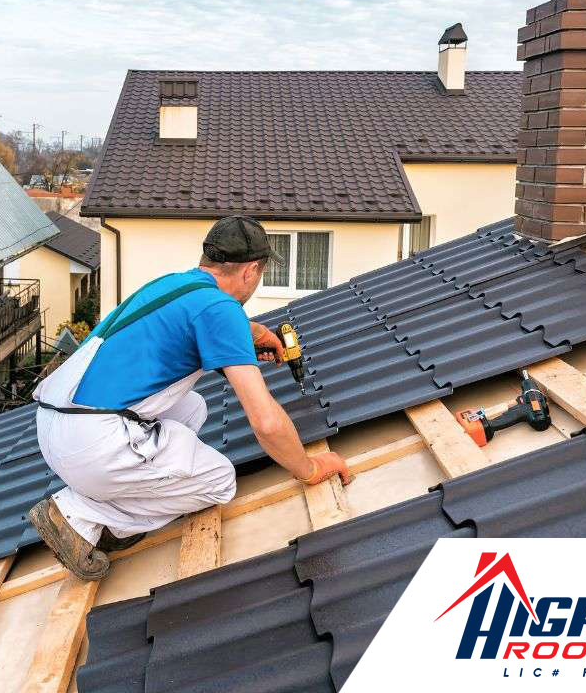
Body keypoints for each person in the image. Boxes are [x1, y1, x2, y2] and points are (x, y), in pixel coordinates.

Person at [26, 215, 353, 581]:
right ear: (250, 272)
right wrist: (310, 469)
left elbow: (199, 324)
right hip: (91, 445)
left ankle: (116, 503)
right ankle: (80, 515)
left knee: (193, 407)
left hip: (57, 423)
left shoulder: (174, 286)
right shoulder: (221, 310)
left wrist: (254, 332)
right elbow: (265, 421)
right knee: (219, 481)